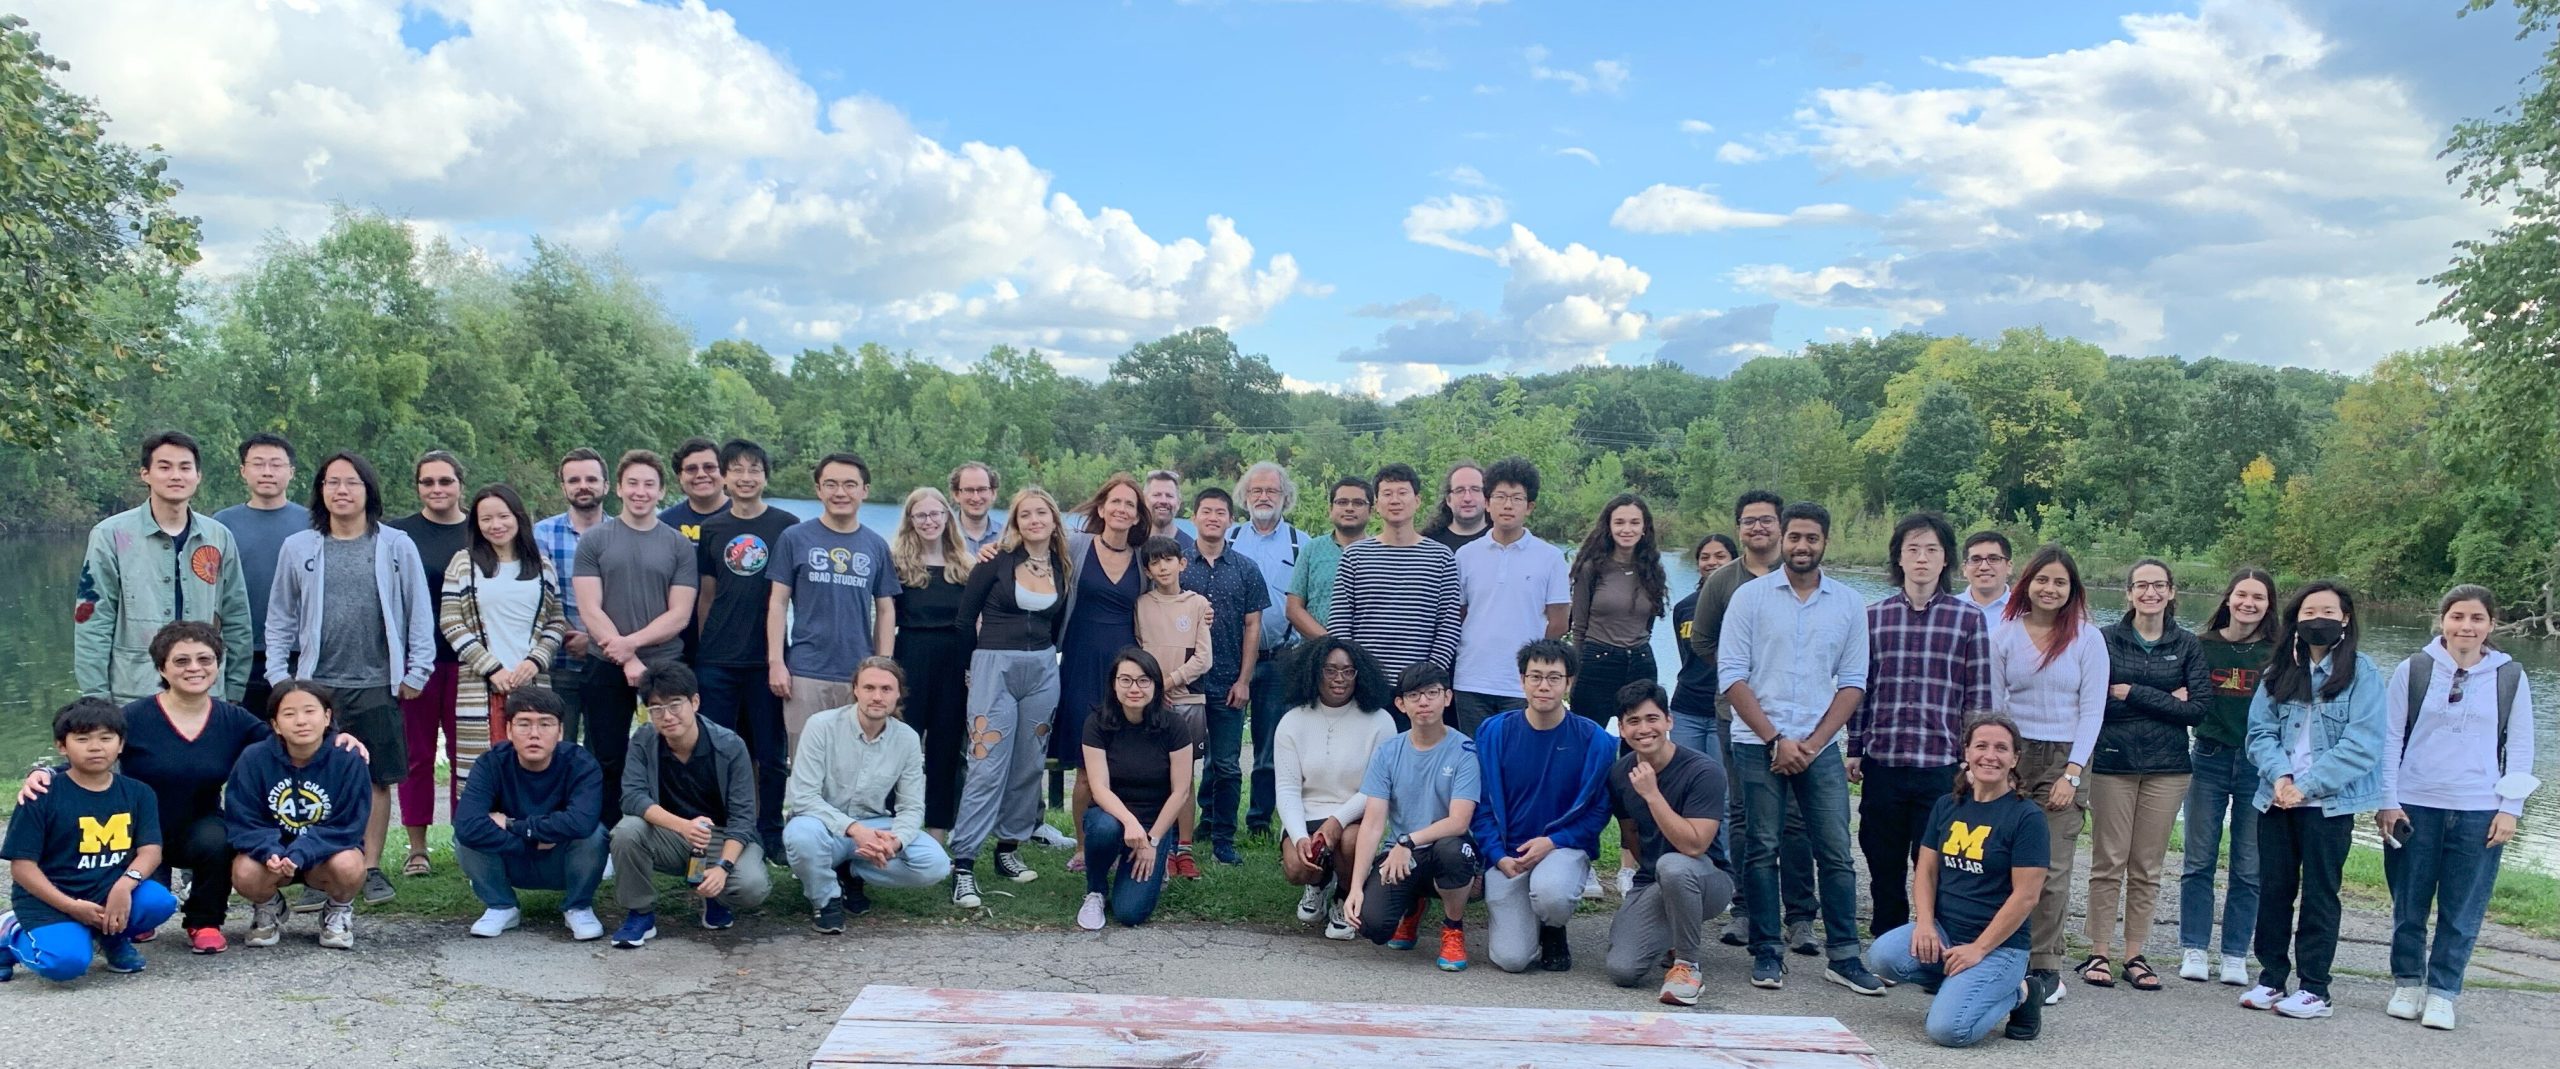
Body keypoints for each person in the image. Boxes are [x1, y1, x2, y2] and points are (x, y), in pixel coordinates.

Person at [15, 623, 357, 955]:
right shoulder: (135, 716)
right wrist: (45, 772)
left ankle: (204, 921)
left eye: (204, 659)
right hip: (138, 828)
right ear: (162, 668)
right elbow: (94, 749)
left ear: (217, 665)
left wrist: (337, 737)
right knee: (146, 908)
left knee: (221, 837)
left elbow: (290, 737)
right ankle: (108, 920)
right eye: (181, 661)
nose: (194, 668)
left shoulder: (233, 720)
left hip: (200, 824)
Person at [1719, 502, 1882, 995]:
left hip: (1820, 747)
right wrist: (1776, 740)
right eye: (1795, 537)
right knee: (1762, 848)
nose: (1802, 546)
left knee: (1835, 852)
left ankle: (1845, 956)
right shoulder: (1749, 598)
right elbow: (1732, 676)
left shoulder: (1848, 603)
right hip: (1757, 742)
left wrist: (1811, 744)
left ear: (1825, 542)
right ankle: (1767, 951)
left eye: (1812, 538)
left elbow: (1853, 682)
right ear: (1782, 539)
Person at [265, 451, 436, 908]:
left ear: (368, 490)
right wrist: (280, 677)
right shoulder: (299, 547)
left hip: (378, 682)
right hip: (316, 684)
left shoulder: (396, 545)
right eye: (332, 482)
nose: (342, 491)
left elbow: (419, 611)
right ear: (320, 491)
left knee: (376, 778)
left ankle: (370, 867)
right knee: (313, 778)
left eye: (352, 482)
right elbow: (280, 617)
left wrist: (417, 669)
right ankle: (317, 870)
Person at [2378, 584, 2538, 1031]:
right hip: (2415, 804)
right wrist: (2387, 800)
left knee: (2462, 908)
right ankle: (2408, 982)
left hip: (2478, 809)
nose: (2466, 626)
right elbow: (2389, 739)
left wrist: (2511, 808)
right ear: (2443, 620)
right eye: (2458, 617)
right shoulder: (2414, 669)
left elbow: (2521, 746)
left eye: (2476, 618)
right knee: (2409, 903)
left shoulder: (2509, 676)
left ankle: (2443, 991)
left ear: (2491, 624)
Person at [2239, 580, 2385, 1021]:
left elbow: (2362, 744)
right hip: (2276, 799)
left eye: (2327, 612)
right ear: (2295, 620)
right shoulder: (2278, 671)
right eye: (2308, 613)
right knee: (2273, 891)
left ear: (2345, 618)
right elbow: (2259, 733)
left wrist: (2308, 785)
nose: (2317, 620)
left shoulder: (2363, 673)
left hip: (2329, 805)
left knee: (2321, 894)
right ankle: (2271, 977)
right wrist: (2281, 777)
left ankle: (2315, 989)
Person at [1863, 714, 2052, 1047]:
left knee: (1949, 1031)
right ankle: (1960, 985)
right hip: (1947, 932)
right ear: (1966, 752)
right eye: (1981, 746)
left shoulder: (2027, 817)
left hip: (2000, 947)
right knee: (1883, 956)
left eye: (2001, 748)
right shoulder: (1947, 805)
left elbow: (2026, 896)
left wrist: (1979, 949)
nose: (1990, 756)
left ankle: (2021, 992)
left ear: (2014, 759)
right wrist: (1925, 924)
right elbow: (1926, 870)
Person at [1853, 513, 1992, 939]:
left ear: (1945, 559)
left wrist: (1974, 759)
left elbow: (1978, 698)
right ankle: (1887, 944)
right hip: (1884, 762)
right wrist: (1854, 748)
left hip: (1940, 765)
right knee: (1882, 861)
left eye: (1931, 550)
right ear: (1898, 557)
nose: (1921, 558)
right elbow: (1860, 688)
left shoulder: (1968, 619)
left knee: (1936, 863)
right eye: (1912, 549)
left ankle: (1936, 942)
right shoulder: (1872, 617)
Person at [1689, 490, 1817, 952]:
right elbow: (1702, 640)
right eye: (1749, 521)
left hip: (1798, 718)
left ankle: (1800, 917)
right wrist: (1740, 675)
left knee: (1796, 819)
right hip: (1737, 717)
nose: (1758, 528)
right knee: (1743, 816)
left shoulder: (1803, 574)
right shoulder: (1724, 581)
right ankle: (1744, 910)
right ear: (1738, 528)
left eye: (1766, 520)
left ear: (1781, 527)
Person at [2082, 558, 2210, 990]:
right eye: (2141, 585)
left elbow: (2197, 710)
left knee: (2147, 866)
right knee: (2109, 861)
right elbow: (2095, 703)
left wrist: (2132, 692)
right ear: (2129, 593)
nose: (2150, 593)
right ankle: (2099, 951)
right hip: (2112, 763)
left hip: (2167, 769)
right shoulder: (2104, 640)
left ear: (2171, 592)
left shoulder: (2187, 644)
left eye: (2158, 585)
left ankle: (2134, 954)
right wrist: (2166, 698)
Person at [1988, 543, 2107, 1006]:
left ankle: (2044, 966)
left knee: (2051, 869)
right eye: (2042, 579)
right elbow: (1995, 706)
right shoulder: (2004, 634)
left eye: (2060, 581)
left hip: (2065, 758)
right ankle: (2002, 954)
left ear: (2072, 589)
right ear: (2027, 584)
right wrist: (1999, 763)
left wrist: (2072, 774)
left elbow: (2092, 711)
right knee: (2005, 861)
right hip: (2014, 755)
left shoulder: (2087, 639)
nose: (2050, 589)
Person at [948, 487, 1071, 907]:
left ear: (1053, 520)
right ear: (1016, 522)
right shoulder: (994, 562)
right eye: (1025, 514)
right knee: (986, 765)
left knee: (1029, 763)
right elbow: (965, 621)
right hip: (993, 667)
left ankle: (1008, 849)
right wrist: (971, 670)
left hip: (1042, 669)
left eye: (1041, 513)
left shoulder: (1061, 566)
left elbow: (1058, 623)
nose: (1034, 520)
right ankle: (964, 863)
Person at [0, 699, 176, 984]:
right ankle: (10, 933)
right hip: (51, 900)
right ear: (62, 746)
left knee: (159, 901)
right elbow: (22, 867)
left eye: (106, 738)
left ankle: (111, 938)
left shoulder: (138, 793)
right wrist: (71, 906)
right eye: (82, 739)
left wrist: (124, 885)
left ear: (121, 744)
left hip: (107, 891)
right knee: (65, 964)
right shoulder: (41, 795)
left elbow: (151, 851)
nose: (96, 747)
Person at [75, 430, 254, 706]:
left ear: (198, 476)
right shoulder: (110, 535)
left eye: (185, 467)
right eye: (165, 467)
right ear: (145, 474)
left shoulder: (218, 536)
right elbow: (93, 621)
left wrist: (233, 690)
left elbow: (236, 616)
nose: (176, 476)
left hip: (207, 693)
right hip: (134, 692)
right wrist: (96, 697)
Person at [1473, 639, 1615, 974]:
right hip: (1508, 856)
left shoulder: (1595, 740)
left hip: (1561, 849)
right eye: (1535, 676)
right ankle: (1529, 920)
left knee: (1552, 894)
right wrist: (1497, 855)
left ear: (1569, 682)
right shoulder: (1493, 733)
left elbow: (1598, 812)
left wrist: (1553, 842)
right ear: (1522, 680)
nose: (1543, 686)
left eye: (1554, 678)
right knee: (1511, 960)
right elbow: (1480, 805)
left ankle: (1553, 927)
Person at [784, 658, 952, 931]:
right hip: (823, 825)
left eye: (886, 689)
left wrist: (895, 842)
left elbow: (911, 807)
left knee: (935, 864)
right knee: (801, 836)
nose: (877, 697)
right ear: (856, 690)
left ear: (898, 694)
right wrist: (854, 829)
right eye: (869, 687)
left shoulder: (907, 739)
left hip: (874, 826)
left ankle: (851, 871)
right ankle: (825, 898)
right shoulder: (821, 726)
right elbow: (804, 797)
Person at [608, 663, 769, 948]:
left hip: (722, 835)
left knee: (751, 886)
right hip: (670, 832)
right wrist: (683, 826)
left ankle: (715, 896)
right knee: (626, 831)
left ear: (694, 702)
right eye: (656, 708)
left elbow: (743, 818)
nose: (667, 716)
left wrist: (723, 867)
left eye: (675, 704)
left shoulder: (729, 745)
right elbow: (632, 797)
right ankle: (640, 912)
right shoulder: (644, 740)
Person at [437, 486, 566, 841]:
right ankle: (480, 842)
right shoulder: (464, 563)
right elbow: (451, 621)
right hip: (481, 683)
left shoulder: (541, 564)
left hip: (532, 682)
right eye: (486, 519)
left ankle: (535, 837)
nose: (496, 525)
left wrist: (535, 661)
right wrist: (492, 668)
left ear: (518, 518)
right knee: (483, 768)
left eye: (503, 516)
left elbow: (556, 621)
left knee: (534, 761)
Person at [691, 439, 799, 855]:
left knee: (770, 753)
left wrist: (780, 659)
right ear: (724, 477)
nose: (746, 477)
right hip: (717, 660)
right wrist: (704, 648)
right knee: (717, 749)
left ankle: (770, 831)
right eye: (736, 469)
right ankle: (720, 829)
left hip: (767, 659)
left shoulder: (786, 525)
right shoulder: (713, 529)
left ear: (766, 477)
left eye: (754, 469)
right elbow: (706, 595)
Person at [575, 449, 700, 797]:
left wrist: (631, 646)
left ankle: (669, 823)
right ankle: (608, 825)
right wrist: (625, 657)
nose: (640, 492)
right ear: (618, 488)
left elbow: (679, 614)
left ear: (661, 491)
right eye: (632, 483)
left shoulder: (678, 545)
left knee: (672, 749)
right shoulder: (594, 540)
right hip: (605, 663)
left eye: (649, 484)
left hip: (664, 664)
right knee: (606, 754)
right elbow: (590, 608)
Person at [1344, 663, 1482, 971]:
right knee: (1372, 925)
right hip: (1400, 854)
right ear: (1400, 704)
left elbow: (1459, 821)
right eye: (1414, 695)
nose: (1424, 702)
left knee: (1452, 852)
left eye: (1432, 693)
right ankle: (1413, 906)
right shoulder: (1387, 752)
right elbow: (1373, 824)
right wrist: (1355, 888)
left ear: (1447, 698)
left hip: (1445, 846)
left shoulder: (1465, 750)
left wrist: (1408, 841)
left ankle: (1453, 927)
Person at [1603, 681, 1733, 1007]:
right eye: (1633, 721)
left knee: (1673, 865)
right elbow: (1631, 834)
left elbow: (1694, 846)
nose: (1644, 729)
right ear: (1622, 729)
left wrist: (1652, 794)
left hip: (1708, 879)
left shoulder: (1703, 771)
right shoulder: (1620, 774)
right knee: (1622, 970)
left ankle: (1687, 965)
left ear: (1669, 721)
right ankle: (1671, 930)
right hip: (1655, 881)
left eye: (1652, 719)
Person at [2180, 567, 2277, 985]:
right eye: (2242, 595)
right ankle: (2194, 947)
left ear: (2269, 605)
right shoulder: (2201, 645)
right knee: (2198, 859)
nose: (2248, 603)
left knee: (2249, 865)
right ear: (2228, 598)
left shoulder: (2278, 652)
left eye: (2258, 597)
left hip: (2258, 765)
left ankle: (2235, 954)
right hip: (2209, 758)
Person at [766, 451, 899, 756]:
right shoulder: (794, 538)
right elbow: (778, 603)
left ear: (865, 490)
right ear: (818, 489)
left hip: (859, 674)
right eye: (831, 484)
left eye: (850, 484)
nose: (841, 492)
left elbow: (886, 609)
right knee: (806, 760)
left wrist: (883, 668)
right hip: (805, 671)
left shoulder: (876, 545)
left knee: (857, 761)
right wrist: (776, 662)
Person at [451, 685, 608, 942]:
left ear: (560, 731)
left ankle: (578, 906)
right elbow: (467, 824)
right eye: (524, 724)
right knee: (464, 837)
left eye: (545, 724)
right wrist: (532, 842)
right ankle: (501, 905)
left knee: (595, 835)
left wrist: (514, 825)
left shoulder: (581, 763)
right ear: (509, 730)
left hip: (562, 859)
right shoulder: (491, 763)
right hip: (512, 857)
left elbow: (581, 822)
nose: (534, 734)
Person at [1569, 492, 1667, 897]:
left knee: (1640, 765)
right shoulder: (1591, 567)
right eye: (1620, 522)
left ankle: (1632, 866)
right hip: (1595, 664)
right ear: (1608, 526)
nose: (1627, 529)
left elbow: (1648, 624)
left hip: (1640, 664)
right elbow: (1577, 627)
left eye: (1634, 522)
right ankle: (1583, 862)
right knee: (1587, 763)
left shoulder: (1652, 567)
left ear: (1645, 528)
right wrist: (1573, 676)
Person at [224, 682, 372, 951]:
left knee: (350, 866)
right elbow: (244, 820)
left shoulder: (348, 759)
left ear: (327, 717)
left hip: (326, 854)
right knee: (244, 871)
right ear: (276, 724)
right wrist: (269, 851)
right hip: (273, 858)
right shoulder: (253, 758)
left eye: (309, 711)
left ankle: (338, 910)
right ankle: (268, 907)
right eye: (289, 714)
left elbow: (348, 825)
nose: (301, 721)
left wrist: (302, 851)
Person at [1053, 474, 1148, 869]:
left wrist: (1200, 609)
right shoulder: (1076, 545)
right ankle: (1082, 847)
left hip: (1124, 672)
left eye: (1130, 505)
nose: (1122, 509)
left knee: (1120, 764)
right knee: (1085, 770)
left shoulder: (1143, 558)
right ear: (1102, 507)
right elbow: (1030, 553)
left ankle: (1123, 840)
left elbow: (1169, 589)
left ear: (1138, 515)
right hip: (1079, 664)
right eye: (1116, 502)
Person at [1273, 636, 1396, 938]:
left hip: (1355, 814)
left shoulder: (1381, 722)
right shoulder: (1291, 721)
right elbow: (1287, 789)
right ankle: (1318, 883)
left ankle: (1345, 895)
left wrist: (1337, 821)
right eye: (1330, 670)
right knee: (1296, 867)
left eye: (1348, 671)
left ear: (1359, 674)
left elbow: (1377, 788)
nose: (1339, 678)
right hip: (1308, 813)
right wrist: (1300, 836)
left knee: (1351, 842)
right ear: (1314, 672)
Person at [389, 450, 473, 880]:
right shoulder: (397, 534)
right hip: (416, 663)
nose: (437, 489)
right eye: (428, 482)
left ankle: (467, 842)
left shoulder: (481, 529)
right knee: (416, 757)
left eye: (445, 481)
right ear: (417, 486)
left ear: (460, 484)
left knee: (467, 758)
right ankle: (417, 848)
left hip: (471, 662)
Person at [1076, 648, 1200, 930]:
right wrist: (1130, 823)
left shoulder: (1175, 726)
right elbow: (1099, 787)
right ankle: (1095, 890)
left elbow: (1181, 791)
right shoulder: (1097, 723)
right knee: (1104, 827)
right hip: (1112, 817)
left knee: (1129, 913)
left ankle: (1151, 864)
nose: (1134, 688)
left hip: (1154, 825)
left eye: (1144, 680)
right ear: (1114, 684)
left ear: (1156, 685)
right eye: (1126, 680)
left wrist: (1152, 841)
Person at [1450, 457, 1569, 736]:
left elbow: (1559, 622)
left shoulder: (1550, 557)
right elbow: (1458, 615)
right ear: (1487, 503)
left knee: (1519, 754)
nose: (1508, 505)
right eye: (1500, 497)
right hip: (1471, 679)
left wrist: (1535, 663)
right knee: (1475, 754)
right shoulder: (1465, 555)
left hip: (1523, 683)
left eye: (1517, 498)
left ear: (1530, 506)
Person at [1181, 488, 1269, 867]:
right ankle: (1178, 839)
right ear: (1194, 517)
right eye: (1206, 511)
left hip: (1228, 681)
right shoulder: (1178, 565)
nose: (1213, 518)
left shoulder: (1246, 568)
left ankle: (1223, 839)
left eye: (1220, 512)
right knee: (1179, 764)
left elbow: (1253, 627)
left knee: (1228, 766)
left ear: (1231, 520)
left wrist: (1244, 680)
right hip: (1183, 683)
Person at [1330, 463, 1461, 697]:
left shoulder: (1441, 557)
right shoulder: (1355, 555)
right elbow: (1340, 623)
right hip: (1366, 685)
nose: (1395, 500)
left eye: (1402, 493)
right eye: (1387, 494)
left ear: (1417, 500)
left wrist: (1428, 678)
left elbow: (1448, 625)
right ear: (1376, 504)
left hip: (1420, 691)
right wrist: (1355, 674)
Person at [888, 486, 972, 836]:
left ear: (947, 516)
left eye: (935, 513)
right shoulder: (896, 564)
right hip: (910, 659)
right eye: (920, 515)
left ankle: (937, 831)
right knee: (900, 743)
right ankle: (891, 825)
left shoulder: (965, 565)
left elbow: (975, 624)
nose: (928, 521)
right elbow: (885, 617)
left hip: (953, 664)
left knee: (946, 748)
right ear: (910, 520)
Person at [1228, 462, 1305, 840]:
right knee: (1222, 745)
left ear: (1284, 497)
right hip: (1229, 658)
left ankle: (1259, 821)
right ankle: (1215, 820)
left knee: (1271, 746)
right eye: (1256, 490)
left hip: (1280, 658)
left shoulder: (1301, 543)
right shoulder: (1228, 538)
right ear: (1244, 497)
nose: (1263, 497)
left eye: (1271, 491)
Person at [215, 432, 307, 716]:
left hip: (299, 651)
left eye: (276, 464)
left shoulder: (313, 523)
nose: (267, 472)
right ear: (243, 471)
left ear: (291, 472)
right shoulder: (221, 525)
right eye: (258, 464)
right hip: (240, 651)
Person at [1668, 534, 1740, 881]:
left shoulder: (1744, 602)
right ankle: (1687, 867)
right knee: (1683, 790)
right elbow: (1688, 659)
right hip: (1686, 708)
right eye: (1705, 556)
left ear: (1734, 560)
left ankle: (1721, 870)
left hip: (1727, 711)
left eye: (1720, 556)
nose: (1712, 562)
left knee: (1721, 796)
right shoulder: (1684, 607)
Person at [535, 448, 609, 744]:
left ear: (606, 485)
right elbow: (538, 596)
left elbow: (626, 597)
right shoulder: (541, 534)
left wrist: (593, 641)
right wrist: (568, 635)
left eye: (591, 479)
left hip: (608, 662)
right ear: (563, 487)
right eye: (574, 480)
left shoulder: (622, 535)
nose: (583, 486)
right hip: (558, 661)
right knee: (555, 747)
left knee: (604, 750)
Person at [1284, 474, 1371, 640]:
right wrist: (1331, 644)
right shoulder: (1312, 550)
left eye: (1358, 503)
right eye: (1342, 502)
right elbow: (1294, 608)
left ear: (1371, 511)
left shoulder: (1380, 553)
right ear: (1330, 509)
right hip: (1317, 649)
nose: (1349, 508)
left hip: (1370, 650)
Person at [660, 437, 731, 543]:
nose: (701, 474)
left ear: (724, 472)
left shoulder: (748, 517)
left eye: (709, 467)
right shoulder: (665, 524)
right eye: (691, 469)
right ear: (680, 477)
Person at [1422, 461, 1489, 551]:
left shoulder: (1502, 539)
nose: (1467, 498)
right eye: (1459, 490)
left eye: (1475, 489)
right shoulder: (1428, 544)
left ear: (1486, 497)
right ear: (1448, 499)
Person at [948, 462, 1008, 556]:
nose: (976, 498)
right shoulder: (943, 536)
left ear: (993, 493)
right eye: (969, 490)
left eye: (982, 489)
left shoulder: (1007, 537)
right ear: (956, 495)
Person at [1959, 532, 2014, 628]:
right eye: (1976, 560)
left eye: (1993, 559)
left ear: (2009, 566)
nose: (1984, 567)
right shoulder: (1946, 609)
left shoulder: (2025, 611)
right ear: (1964, 569)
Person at [1140, 469, 1195, 551]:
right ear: (1144, 500)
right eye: (1157, 495)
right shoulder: (1131, 545)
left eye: (1169, 496)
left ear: (1178, 503)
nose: (1163, 501)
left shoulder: (1191, 550)